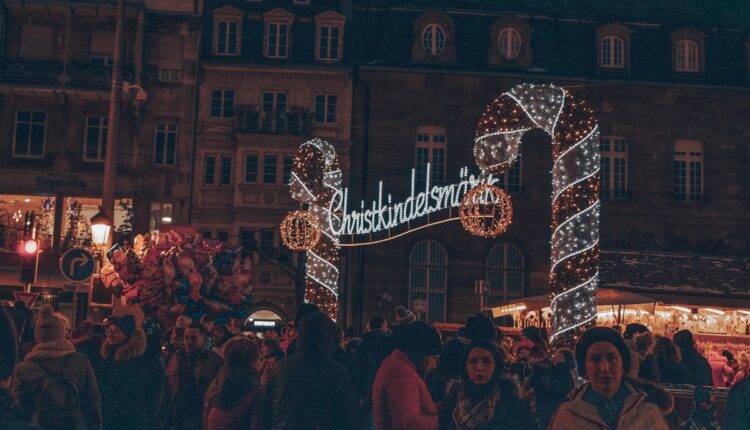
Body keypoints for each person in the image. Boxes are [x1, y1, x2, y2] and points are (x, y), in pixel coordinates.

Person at [549, 326, 673, 430]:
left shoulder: (646, 410)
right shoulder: (569, 413)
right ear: (585, 367)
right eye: (595, 360)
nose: (604, 368)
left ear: (623, 363)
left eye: (611, 358)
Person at [11, 305, 102, 430]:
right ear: (61, 333)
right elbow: (93, 404)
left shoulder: (23, 368)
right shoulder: (80, 361)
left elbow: (18, 408)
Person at [263, 311, 360, 429]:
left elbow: (266, 412)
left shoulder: (280, 368)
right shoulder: (336, 372)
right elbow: (349, 416)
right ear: (329, 337)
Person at [440, 339, 532, 430]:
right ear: (465, 366)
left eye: (486, 361)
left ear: (496, 365)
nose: (479, 368)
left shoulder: (515, 408)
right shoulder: (451, 404)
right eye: (473, 361)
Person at [99, 314, 165, 430]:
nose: (111, 334)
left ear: (126, 334)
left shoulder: (135, 360)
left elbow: (131, 391)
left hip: (127, 417)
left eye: (116, 331)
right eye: (109, 331)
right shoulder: (110, 355)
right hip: (109, 413)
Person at [373, 321, 441, 430]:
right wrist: (444, 422)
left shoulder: (397, 367)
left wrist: (442, 408)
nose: (434, 366)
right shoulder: (401, 374)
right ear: (420, 353)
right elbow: (408, 423)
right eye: (433, 357)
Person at [167, 322, 223, 430]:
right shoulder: (178, 357)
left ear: (203, 338)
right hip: (179, 412)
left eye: (193, 338)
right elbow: (168, 383)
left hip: (200, 412)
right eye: (186, 338)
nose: (188, 342)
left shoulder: (214, 360)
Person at [204, 337, 263, 430]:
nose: (261, 362)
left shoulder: (217, 384)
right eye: (259, 358)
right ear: (252, 362)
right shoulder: (256, 392)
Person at [529, 349, 573, 430]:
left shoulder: (543, 373)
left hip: (548, 417)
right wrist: (560, 365)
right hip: (552, 417)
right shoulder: (547, 375)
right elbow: (561, 388)